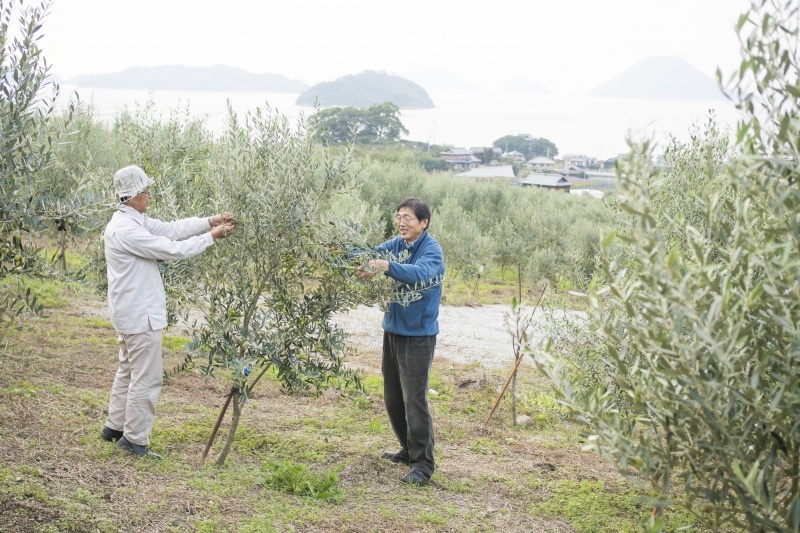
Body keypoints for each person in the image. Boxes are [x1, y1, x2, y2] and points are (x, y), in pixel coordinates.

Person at [100, 165, 236, 459]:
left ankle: (114, 427)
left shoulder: (129, 221)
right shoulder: (128, 230)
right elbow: (173, 249)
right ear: (132, 196)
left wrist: (209, 221)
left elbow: (172, 229)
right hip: (139, 315)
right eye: (145, 190)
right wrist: (212, 236)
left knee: (127, 369)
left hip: (130, 312)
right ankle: (134, 440)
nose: (150, 194)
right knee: (146, 378)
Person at [357, 198, 445, 486]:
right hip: (393, 331)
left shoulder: (432, 250)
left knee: (414, 400)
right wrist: (350, 255)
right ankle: (407, 451)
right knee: (393, 396)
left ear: (424, 222)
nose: (402, 222)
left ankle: (423, 465)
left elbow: (420, 274)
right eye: (399, 216)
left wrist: (386, 266)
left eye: (408, 217)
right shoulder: (396, 244)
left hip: (418, 337)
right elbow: (371, 255)